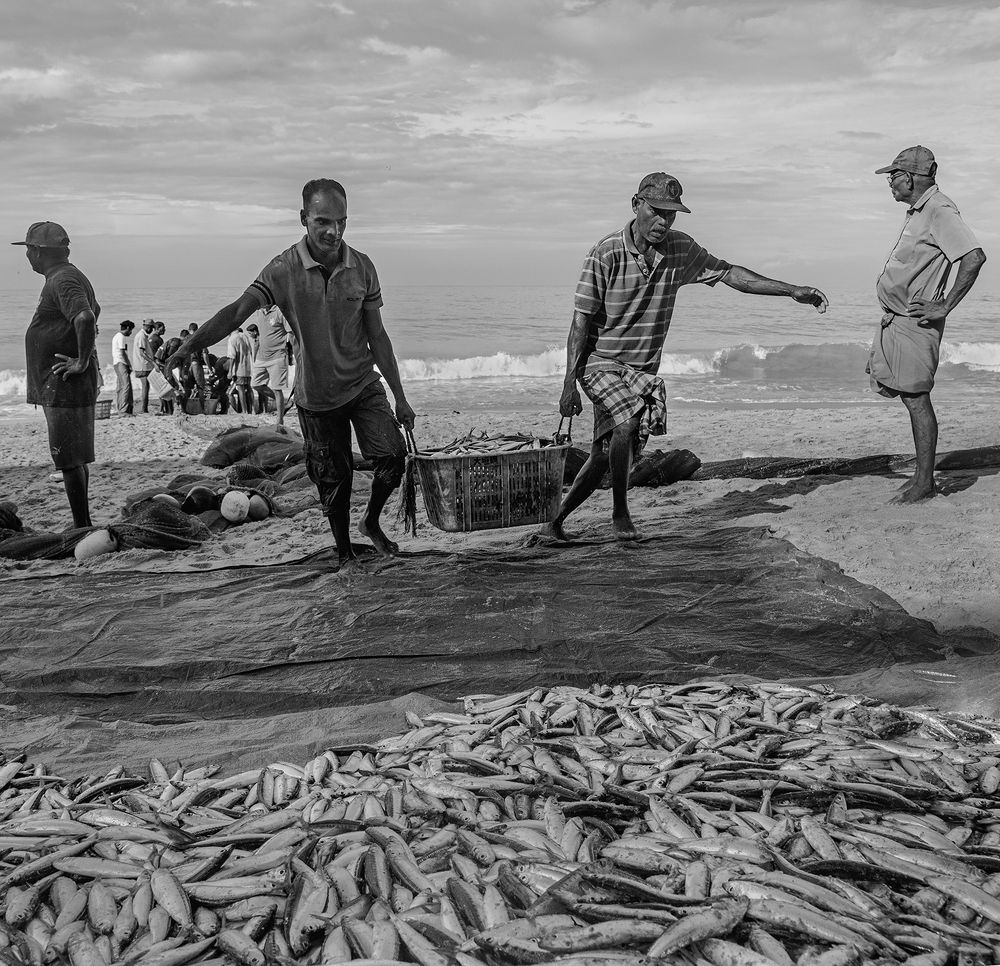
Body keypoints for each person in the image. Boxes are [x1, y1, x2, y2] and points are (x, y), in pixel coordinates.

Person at [544, 172, 828, 542]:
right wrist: (569, 384)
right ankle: (620, 514)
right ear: (636, 205)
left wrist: (792, 290)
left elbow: (730, 274)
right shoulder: (606, 253)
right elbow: (580, 320)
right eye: (657, 211)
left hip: (642, 370)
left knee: (603, 453)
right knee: (627, 419)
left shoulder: (680, 250)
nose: (663, 221)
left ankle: (555, 522)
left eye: (672, 214)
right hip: (600, 361)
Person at [166, 178, 415, 568]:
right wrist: (189, 346)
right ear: (304, 219)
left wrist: (400, 397)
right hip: (316, 395)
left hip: (363, 383)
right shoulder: (283, 269)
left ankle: (371, 521)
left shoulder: (362, 267)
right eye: (323, 222)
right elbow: (235, 314)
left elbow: (378, 336)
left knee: (392, 458)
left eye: (342, 222)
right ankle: (345, 552)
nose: (334, 231)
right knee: (334, 482)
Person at [868, 146, 987, 503]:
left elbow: (974, 257)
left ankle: (925, 483)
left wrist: (945, 306)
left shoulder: (939, 209)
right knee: (910, 396)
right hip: (898, 320)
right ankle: (923, 477)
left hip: (914, 323)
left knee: (918, 398)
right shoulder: (919, 210)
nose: (890, 182)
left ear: (911, 177)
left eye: (893, 175)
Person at [13, 221, 101, 528]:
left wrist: (80, 360)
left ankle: (81, 525)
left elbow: (85, 318)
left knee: (67, 458)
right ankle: (83, 522)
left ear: (37, 252)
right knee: (73, 458)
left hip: (65, 383)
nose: (26, 257)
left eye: (27, 250)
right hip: (64, 384)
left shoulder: (62, 279)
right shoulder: (65, 276)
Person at [249, 305, 293, 425]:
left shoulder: (280, 311)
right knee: (255, 384)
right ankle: (284, 404)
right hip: (262, 357)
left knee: (277, 388)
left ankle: (280, 421)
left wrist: (293, 353)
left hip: (278, 356)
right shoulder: (259, 312)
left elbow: (291, 332)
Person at [226, 327, 255, 414]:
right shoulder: (245, 336)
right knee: (249, 388)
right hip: (248, 367)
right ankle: (253, 410)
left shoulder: (232, 338)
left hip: (239, 368)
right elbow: (251, 351)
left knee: (240, 389)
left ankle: (244, 410)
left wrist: (230, 371)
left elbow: (232, 356)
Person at [111, 320, 135, 416]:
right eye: (131, 330)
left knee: (121, 386)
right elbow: (122, 353)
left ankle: (121, 408)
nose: (131, 333)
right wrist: (129, 364)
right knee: (126, 385)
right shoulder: (121, 337)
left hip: (117, 362)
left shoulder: (116, 336)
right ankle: (123, 410)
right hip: (121, 362)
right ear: (128, 328)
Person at [133, 318, 156, 414]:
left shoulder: (142, 335)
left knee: (146, 386)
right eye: (152, 328)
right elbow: (142, 353)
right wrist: (153, 362)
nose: (152, 330)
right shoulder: (142, 336)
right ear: (148, 327)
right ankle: (144, 409)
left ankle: (144, 408)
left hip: (143, 365)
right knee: (145, 386)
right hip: (142, 365)